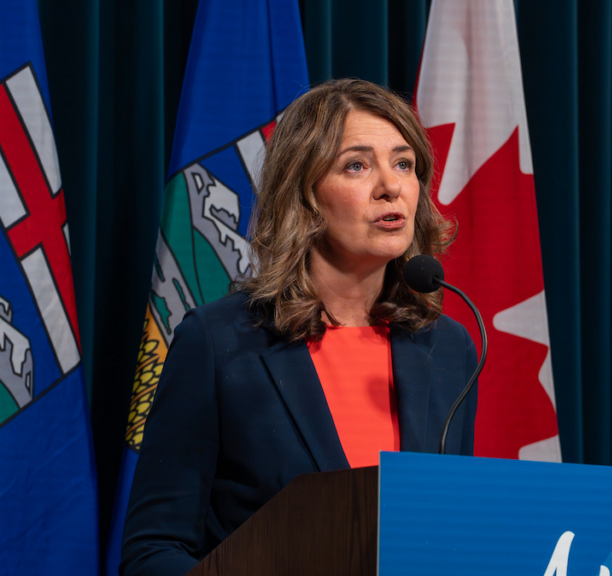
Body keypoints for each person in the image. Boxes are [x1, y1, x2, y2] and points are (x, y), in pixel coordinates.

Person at [120, 79, 478, 576]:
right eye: (356, 165)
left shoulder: (445, 348)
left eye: (404, 164)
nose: (391, 186)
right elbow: (152, 552)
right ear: (306, 195)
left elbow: (450, 535)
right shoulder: (219, 342)